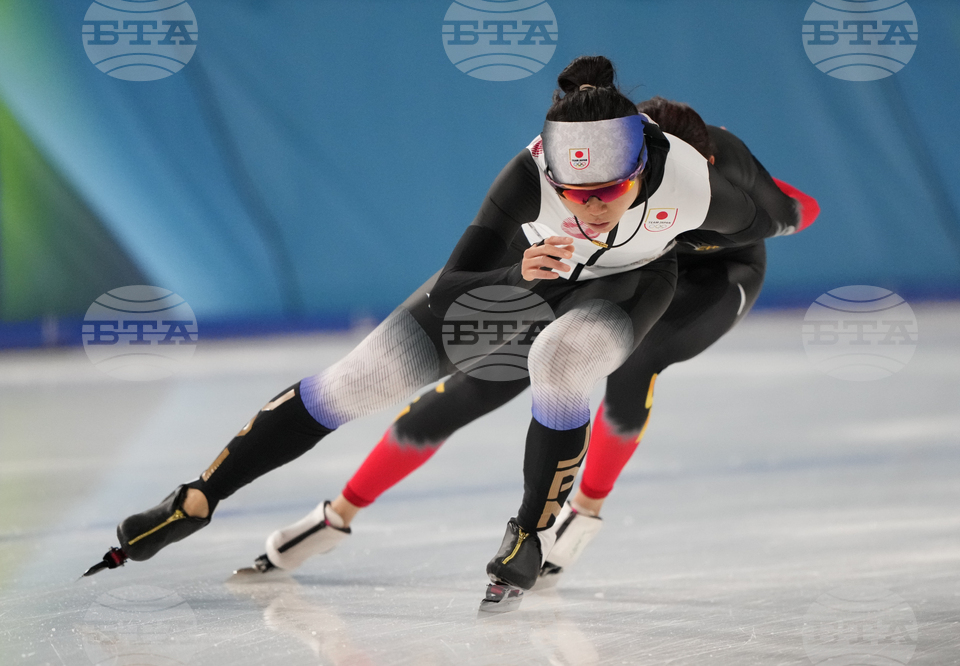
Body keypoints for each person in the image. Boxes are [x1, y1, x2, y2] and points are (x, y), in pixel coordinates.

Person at [86, 56, 795, 596]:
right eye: (573, 191)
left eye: (608, 191)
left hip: (639, 281)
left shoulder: (702, 185)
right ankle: (198, 496)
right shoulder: (528, 174)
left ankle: (531, 530)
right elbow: (457, 285)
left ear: (644, 168)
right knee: (357, 381)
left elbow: (784, 217)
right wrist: (521, 276)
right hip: (532, 272)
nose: (589, 206)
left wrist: (689, 242)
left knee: (565, 360)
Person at [243, 98, 820, 589]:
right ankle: (338, 513)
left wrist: (779, 217)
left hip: (715, 276)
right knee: (480, 379)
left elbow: (798, 208)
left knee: (635, 357)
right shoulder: (602, 177)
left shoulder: (721, 175)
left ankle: (585, 510)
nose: (610, 190)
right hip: (618, 272)